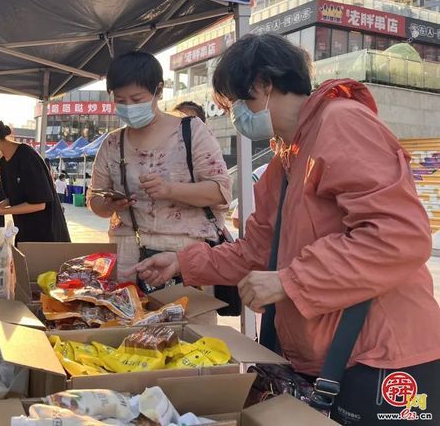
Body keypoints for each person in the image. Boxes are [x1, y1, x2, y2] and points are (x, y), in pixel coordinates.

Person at [134, 33, 440, 425]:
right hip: (328, 355)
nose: (235, 117)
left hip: (380, 354)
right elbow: (259, 250)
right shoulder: (288, 155)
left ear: (263, 84)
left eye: (236, 103)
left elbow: (398, 236)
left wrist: (291, 281)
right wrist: (182, 262)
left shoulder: (342, 123)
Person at [88, 51, 231, 283]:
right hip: (127, 254)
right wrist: (109, 204)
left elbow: (221, 193)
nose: (128, 107)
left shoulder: (191, 131)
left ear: (159, 90)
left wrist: (169, 190)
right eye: (120, 101)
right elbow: (95, 200)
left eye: (136, 99)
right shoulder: (113, 143)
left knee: (186, 318)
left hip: (184, 253)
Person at [0, 120, 70, 243]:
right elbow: (17, 196)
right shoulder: (4, 161)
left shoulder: (27, 157)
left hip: (46, 236)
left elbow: (39, 203)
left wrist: (2, 211)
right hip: (25, 232)